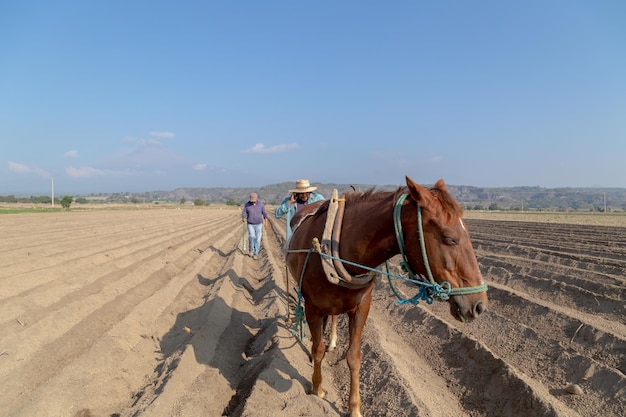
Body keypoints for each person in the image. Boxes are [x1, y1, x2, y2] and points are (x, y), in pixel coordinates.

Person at [242, 192, 268, 259]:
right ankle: (251, 250)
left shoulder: (261, 205)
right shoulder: (247, 205)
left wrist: (266, 222)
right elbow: (244, 212)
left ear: (257, 199)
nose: (253, 202)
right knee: (252, 236)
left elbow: (264, 213)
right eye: (252, 200)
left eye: (254, 200)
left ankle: (256, 253)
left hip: (259, 224)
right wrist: (244, 217)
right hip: (250, 223)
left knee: (258, 239)